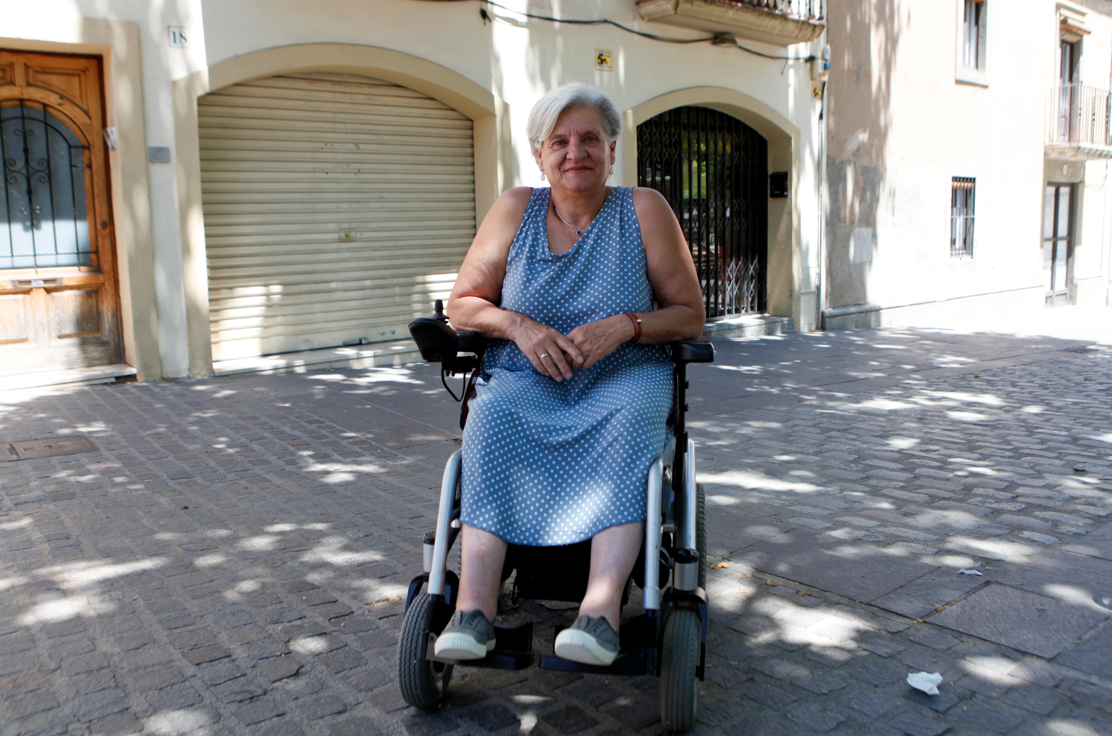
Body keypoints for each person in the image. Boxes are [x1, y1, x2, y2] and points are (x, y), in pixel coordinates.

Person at [433, 82, 705, 666]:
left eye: (588, 139)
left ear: (611, 149)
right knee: (492, 416)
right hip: (528, 376)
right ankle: (473, 611)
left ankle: (599, 614)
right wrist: (519, 327)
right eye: (559, 141)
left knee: (631, 420)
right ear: (540, 154)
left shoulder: (644, 208)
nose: (573, 152)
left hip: (624, 377)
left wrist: (626, 326)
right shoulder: (514, 208)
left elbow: (689, 315)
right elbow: (463, 304)